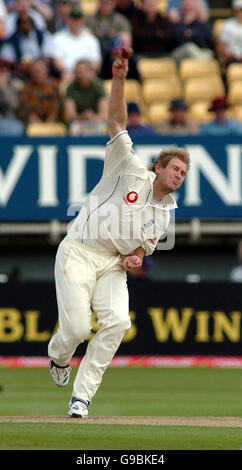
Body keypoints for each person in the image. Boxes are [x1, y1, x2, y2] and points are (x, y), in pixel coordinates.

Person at [48, 46, 190, 418]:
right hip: (80, 249)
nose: (179, 176)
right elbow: (115, 121)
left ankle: (82, 397)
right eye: (175, 169)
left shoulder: (166, 214)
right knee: (77, 328)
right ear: (158, 167)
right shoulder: (127, 165)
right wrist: (120, 78)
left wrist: (135, 258)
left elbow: (143, 250)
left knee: (118, 322)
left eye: (184, 174)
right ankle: (58, 357)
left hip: (111, 265)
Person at [48, 6, 102, 80]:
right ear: (68, 20)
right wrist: (67, 72)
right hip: (68, 74)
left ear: (83, 21)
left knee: (92, 77)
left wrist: (87, 72)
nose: (76, 22)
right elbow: (57, 62)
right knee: (66, 77)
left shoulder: (91, 39)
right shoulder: (58, 38)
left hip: (87, 74)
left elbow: (96, 62)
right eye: (73, 19)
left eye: (78, 19)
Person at [64, 60, 107, 135]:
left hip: (96, 121)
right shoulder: (70, 88)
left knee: (106, 128)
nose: (80, 75)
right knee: (72, 128)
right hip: (78, 121)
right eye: (78, 72)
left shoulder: (99, 86)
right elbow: (71, 114)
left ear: (90, 72)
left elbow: (103, 114)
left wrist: (93, 117)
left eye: (82, 72)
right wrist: (82, 116)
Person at [18, 58, 60, 125]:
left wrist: (47, 126)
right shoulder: (25, 88)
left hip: (52, 124)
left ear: (47, 70)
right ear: (31, 72)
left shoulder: (55, 87)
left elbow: (56, 109)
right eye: (35, 71)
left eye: (40, 70)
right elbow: (26, 111)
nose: (38, 73)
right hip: (32, 125)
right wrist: (39, 126)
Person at [0, 58, 24, 134]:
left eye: (4, 71)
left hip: (9, 120)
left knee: (17, 127)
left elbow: (14, 105)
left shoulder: (12, 87)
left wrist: (3, 89)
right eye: (1, 70)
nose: (2, 74)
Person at [217, 0, 242, 70]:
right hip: (232, 59)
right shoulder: (227, 25)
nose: (240, 13)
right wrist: (227, 55)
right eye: (239, 10)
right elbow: (221, 46)